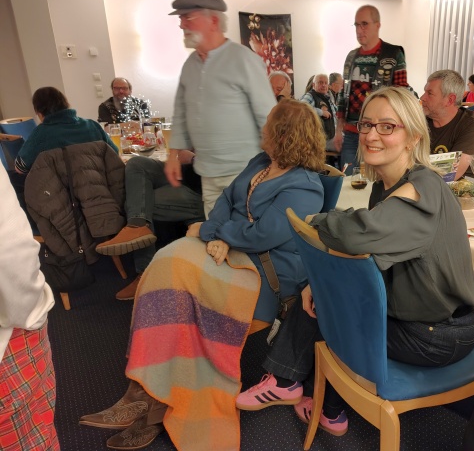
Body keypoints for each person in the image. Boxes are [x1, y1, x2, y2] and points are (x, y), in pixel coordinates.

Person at [236, 87, 474, 437]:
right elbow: (368, 248)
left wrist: (318, 220)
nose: (370, 135)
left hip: (438, 335)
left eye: (387, 126)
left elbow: (356, 234)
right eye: (367, 124)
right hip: (416, 315)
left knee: (331, 307)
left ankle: (295, 386)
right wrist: (319, 283)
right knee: (322, 292)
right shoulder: (388, 184)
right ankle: (316, 401)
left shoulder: (421, 190)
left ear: (413, 137)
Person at [79, 99, 326, 450]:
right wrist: (218, 234)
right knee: (166, 269)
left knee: (177, 277)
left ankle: (155, 401)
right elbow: (226, 199)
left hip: (265, 274)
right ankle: (145, 395)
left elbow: (263, 236)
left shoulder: (306, 186)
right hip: (232, 251)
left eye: (268, 124)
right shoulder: (261, 162)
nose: (262, 129)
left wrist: (213, 232)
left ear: (285, 135)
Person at [165, 0, 276, 215]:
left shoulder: (243, 59)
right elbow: (181, 113)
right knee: (214, 230)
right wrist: (173, 156)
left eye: (188, 17)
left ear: (213, 21)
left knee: (244, 230)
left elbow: (268, 116)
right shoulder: (190, 64)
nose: (181, 24)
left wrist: (276, 164)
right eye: (180, 18)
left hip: (245, 171)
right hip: (207, 171)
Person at [0, 167, 58, 451]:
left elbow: (22, 165)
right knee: (32, 437)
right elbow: (9, 254)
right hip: (9, 333)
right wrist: (34, 311)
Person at [94, 152, 205, 300]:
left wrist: (194, 159)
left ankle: (146, 275)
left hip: (207, 191)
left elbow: (228, 168)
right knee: (137, 163)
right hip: (189, 173)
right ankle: (137, 225)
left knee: (140, 202)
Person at [336, 4, 413, 174]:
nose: (359, 30)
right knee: (348, 180)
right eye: (357, 25)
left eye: (364, 24)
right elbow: (343, 95)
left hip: (378, 134)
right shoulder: (351, 56)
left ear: (377, 25)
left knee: (377, 179)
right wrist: (338, 130)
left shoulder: (393, 54)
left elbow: (401, 95)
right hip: (351, 134)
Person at [15, 87, 118, 174]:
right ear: (66, 104)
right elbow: (114, 153)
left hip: (61, 190)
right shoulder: (92, 125)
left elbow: (20, 168)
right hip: (100, 185)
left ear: (39, 112)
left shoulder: (41, 134)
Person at [420, 70, 474, 179]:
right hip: (419, 183)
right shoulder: (420, 120)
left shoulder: (471, 124)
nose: (422, 97)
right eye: (424, 92)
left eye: (429, 93)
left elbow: (450, 173)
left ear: (450, 100)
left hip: (456, 188)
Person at [300, 74, 338, 151]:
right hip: (320, 140)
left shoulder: (327, 97)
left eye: (326, 83)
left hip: (331, 135)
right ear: (313, 85)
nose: (323, 85)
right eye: (320, 82)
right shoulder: (310, 96)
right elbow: (301, 109)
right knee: (349, 145)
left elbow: (336, 112)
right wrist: (321, 112)